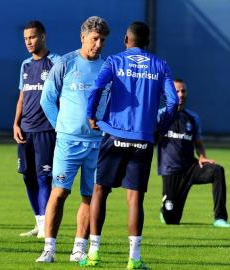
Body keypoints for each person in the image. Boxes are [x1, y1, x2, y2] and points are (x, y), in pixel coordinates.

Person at [80, 21, 179, 270]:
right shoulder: (161, 65)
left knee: (100, 191)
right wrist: (161, 128)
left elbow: (97, 88)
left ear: (126, 39)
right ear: (148, 41)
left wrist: (92, 115)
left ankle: (93, 254)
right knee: (135, 199)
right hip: (143, 139)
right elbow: (173, 102)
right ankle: (133, 258)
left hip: (114, 135)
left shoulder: (114, 61)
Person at [35, 16, 110, 263]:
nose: (98, 44)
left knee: (90, 196)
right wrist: (61, 127)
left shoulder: (108, 67)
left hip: (98, 144)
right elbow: (47, 99)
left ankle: (79, 248)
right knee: (59, 193)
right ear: (83, 37)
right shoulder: (65, 63)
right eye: (94, 39)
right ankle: (49, 248)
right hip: (68, 142)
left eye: (102, 40)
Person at [157, 79, 230, 228]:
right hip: (170, 170)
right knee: (171, 220)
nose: (181, 94)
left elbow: (197, 141)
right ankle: (164, 208)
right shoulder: (161, 116)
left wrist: (202, 156)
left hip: (190, 168)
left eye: (183, 91)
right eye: (177, 91)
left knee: (217, 171)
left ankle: (220, 218)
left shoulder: (192, 117)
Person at [13, 20, 61, 238]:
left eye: (32, 37)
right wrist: (16, 123)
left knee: (44, 178)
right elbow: (22, 96)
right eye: (25, 39)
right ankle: (39, 222)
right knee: (27, 177)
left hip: (46, 130)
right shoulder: (25, 65)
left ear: (43, 36)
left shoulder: (56, 62)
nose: (28, 42)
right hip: (25, 130)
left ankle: (46, 227)